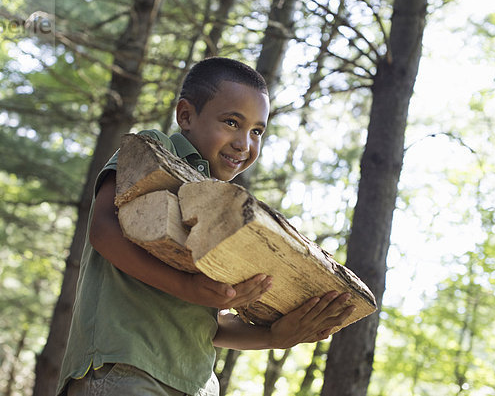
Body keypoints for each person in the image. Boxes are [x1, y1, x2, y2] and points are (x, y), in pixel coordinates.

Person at [56, 57, 355, 396]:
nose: (245, 143)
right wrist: (188, 287)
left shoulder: (224, 210)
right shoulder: (156, 147)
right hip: (125, 369)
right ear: (186, 115)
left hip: (195, 384)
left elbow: (207, 323)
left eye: (257, 131)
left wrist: (274, 337)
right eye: (231, 122)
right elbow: (102, 231)